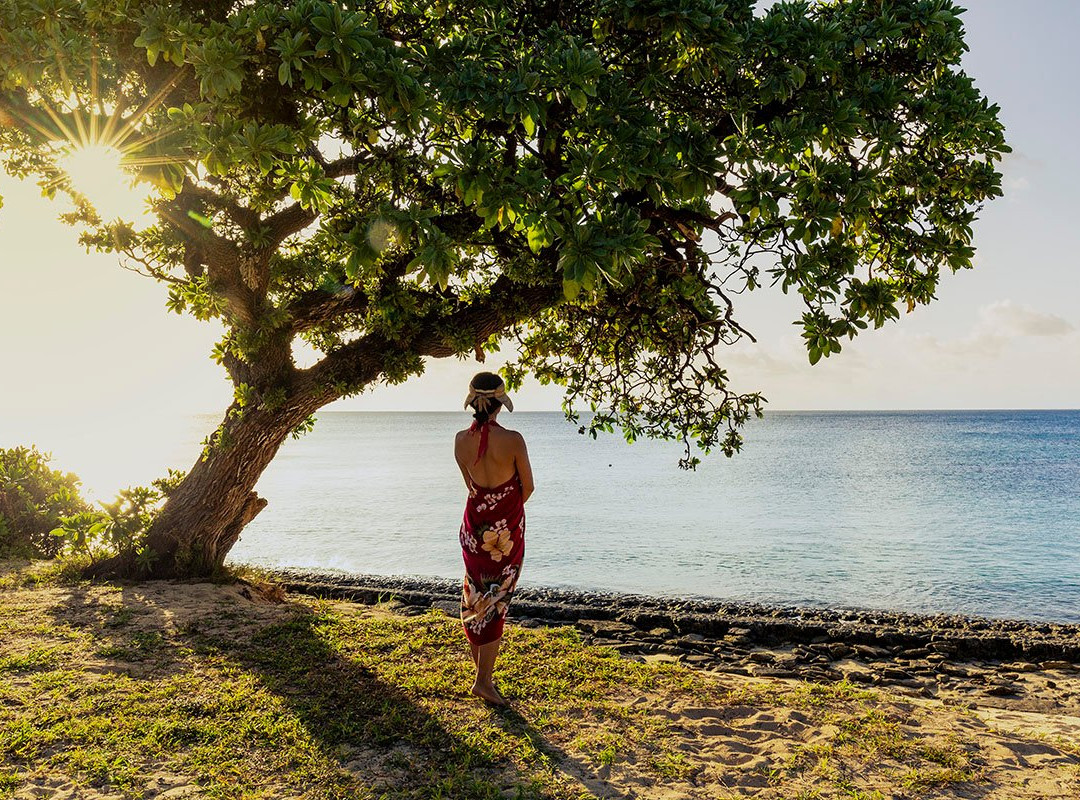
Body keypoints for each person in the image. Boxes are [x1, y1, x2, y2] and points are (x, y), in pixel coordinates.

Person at [454, 371, 534, 705]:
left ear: (473, 402)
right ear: (500, 403)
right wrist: (505, 518)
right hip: (504, 536)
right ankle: (483, 681)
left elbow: (471, 487)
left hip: (474, 531)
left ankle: (482, 678)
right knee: (496, 603)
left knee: (476, 597)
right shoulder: (513, 439)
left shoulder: (460, 439)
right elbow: (527, 488)